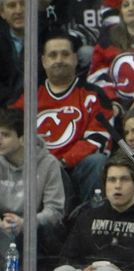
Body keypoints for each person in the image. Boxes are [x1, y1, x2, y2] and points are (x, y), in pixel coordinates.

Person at [10, 32, 113, 203]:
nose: (59, 59)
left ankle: (89, 220)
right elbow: (10, 133)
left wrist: (62, 161)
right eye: (52, 55)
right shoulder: (27, 96)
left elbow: (99, 139)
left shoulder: (93, 95)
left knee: (97, 161)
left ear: (75, 58)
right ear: (43, 61)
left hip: (74, 169)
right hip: (34, 171)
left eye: (65, 54)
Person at [54, 154, 134, 271]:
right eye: (112, 180)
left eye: (124, 179)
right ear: (104, 185)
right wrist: (84, 270)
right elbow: (68, 257)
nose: (117, 186)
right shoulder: (87, 217)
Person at [0, 108, 66, 262]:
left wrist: (26, 223)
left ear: (23, 138)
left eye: (6, 135)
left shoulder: (48, 163)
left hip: (36, 231)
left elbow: (55, 211)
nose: (0, 140)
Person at [0, 0, 24, 106]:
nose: (18, 11)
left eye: (24, 4)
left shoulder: (47, 40)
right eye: (11, 5)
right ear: (2, 12)